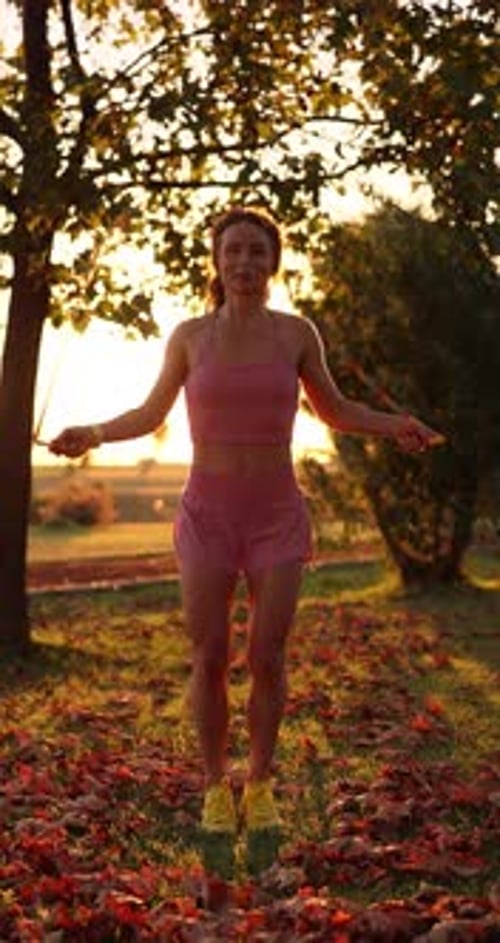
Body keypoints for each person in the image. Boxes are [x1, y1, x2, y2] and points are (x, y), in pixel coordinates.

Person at [49, 206, 443, 879]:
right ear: (216, 260)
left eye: (257, 252)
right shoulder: (189, 337)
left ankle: (258, 784)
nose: (244, 262)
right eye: (233, 250)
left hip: (276, 513)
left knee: (267, 654)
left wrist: (396, 422)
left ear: (273, 261)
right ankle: (213, 786)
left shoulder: (295, 333)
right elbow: (149, 414)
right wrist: (94, 430)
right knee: (209, 654)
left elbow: (336, 409)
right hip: (207, 513)